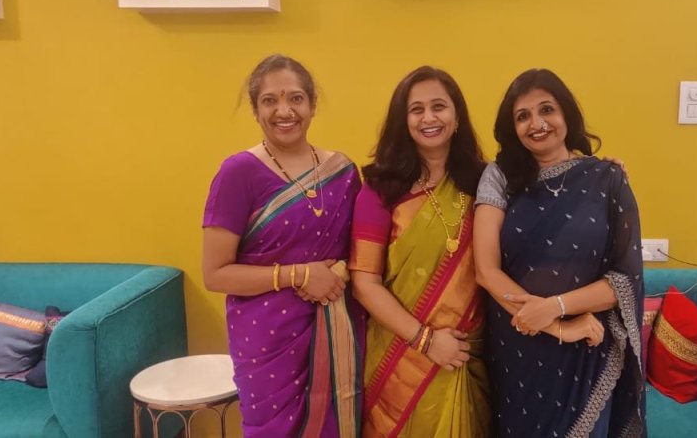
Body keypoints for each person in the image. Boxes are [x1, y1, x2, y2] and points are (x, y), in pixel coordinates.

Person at [474, 68, 646, 437]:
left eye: (547, 109)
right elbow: (486, 270)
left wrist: (557, 307)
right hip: (518, 342)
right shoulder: (500, 176)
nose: (537, 124)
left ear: (566, 113)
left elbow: (624, 280)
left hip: (586, 347)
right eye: (523, 116)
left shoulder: (606, 179)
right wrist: (557, 327)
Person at [201, 54, 365, 438]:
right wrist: (300, 275)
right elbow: (215, 274)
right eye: (270, 100)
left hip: (337, 325)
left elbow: (360, 253)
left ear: (312, 105)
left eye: (295, 98)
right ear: (255, 110)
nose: (284, 110)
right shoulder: (238, 172)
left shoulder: (342, 171)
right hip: (267, 340)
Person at [348, 66, 492, 437]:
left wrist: (596, 171)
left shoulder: (487, 182)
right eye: (417, 109)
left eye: (438, 106)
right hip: (400, 356)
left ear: (457, 116)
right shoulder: (380, 189)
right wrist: (427, 341)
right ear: (404, 120)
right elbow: (364, 283)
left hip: (469, 355)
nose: (429, 118)